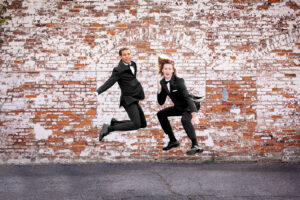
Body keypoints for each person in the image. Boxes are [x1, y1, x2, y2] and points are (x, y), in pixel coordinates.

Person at [84, 47, 147, 141]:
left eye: (129, 54)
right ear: (120, 57)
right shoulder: (118, 70)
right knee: (136, 124)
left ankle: (114, 123)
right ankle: (109, 128)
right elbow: (109, 83)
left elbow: (131, 79)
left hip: (135, 97)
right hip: (128, 99)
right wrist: (95, 93)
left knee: (142, 124)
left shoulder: (133, 64)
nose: (127, 56)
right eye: (124, 55)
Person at [156, 55, 203, 155]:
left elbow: (187, 97)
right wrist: (159, 90)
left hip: (191, 105)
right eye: (165, 69)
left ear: (173, 70)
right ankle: (173, 140)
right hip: (180, 107)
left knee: (185, 119)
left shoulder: (179, 81)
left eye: (170, 69)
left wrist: (194, 115)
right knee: (161, 114)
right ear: (162, 71)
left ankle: (195, 145)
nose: (167, 71)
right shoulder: (162, 83)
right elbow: (161, 102)